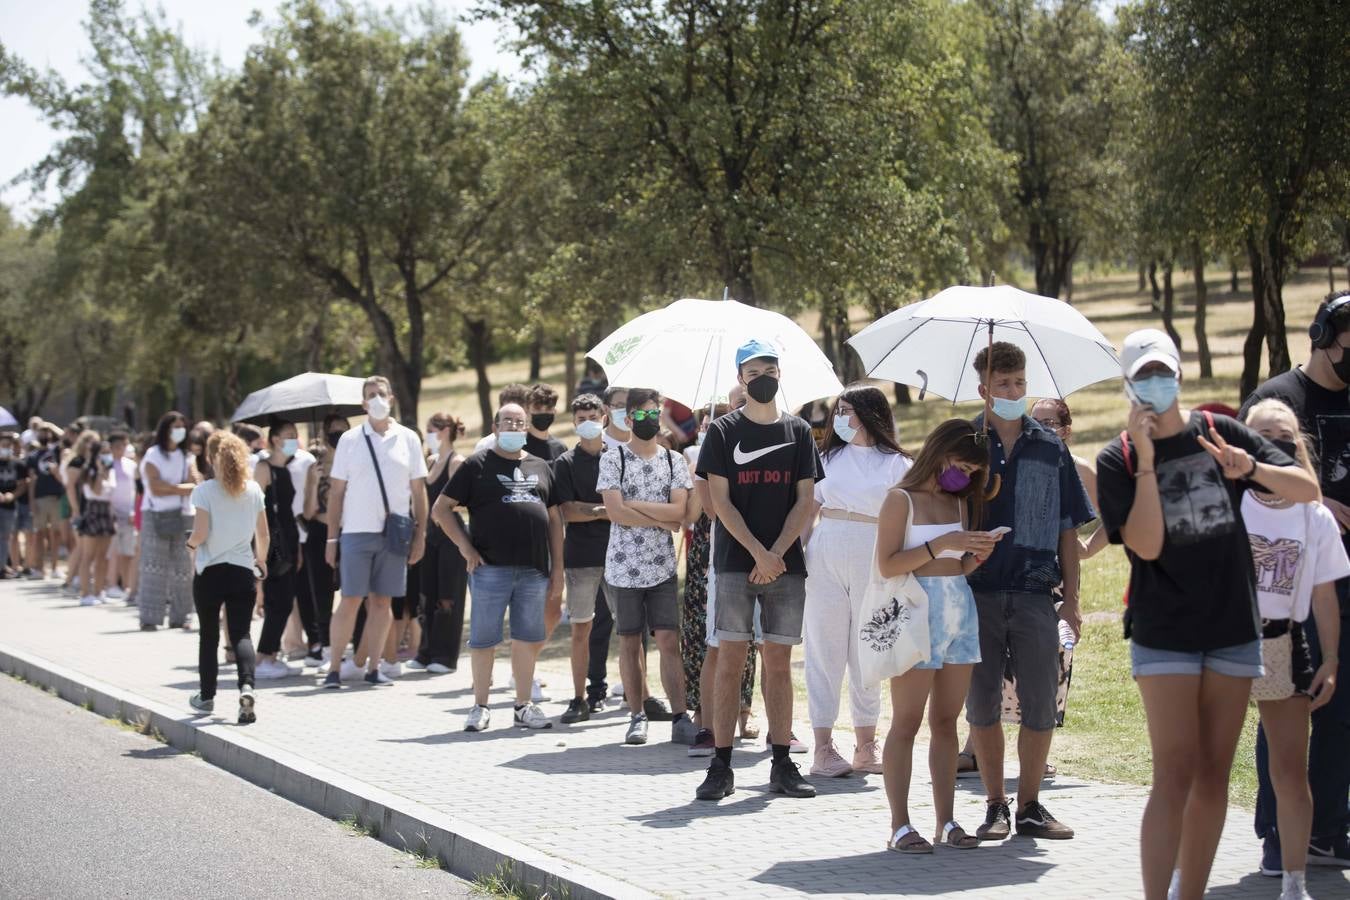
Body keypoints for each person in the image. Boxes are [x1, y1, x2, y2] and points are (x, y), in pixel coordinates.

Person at [1095, 329, 1318, 900]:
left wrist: (1253, 468)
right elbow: (1144, 545)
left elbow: (1307, 489)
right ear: (1128, 382)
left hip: (1230, 625)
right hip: (1165, 630)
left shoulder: (1220, 431)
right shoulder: (1117, 457)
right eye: (1143, 375)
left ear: (1179, 374)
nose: (1155, 384)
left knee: (1214, 772)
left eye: (1163, 372)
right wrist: (1147, 462)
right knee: (1174, 771)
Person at [963, 341, 1094, 842]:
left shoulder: (1050, 446)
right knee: (982, 705)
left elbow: (1067, 528)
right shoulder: (964, 442)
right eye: (1003, 384)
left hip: (1039, 594)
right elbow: (940, 512)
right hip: (977, 593)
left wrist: (1074, 602)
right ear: (984, 389)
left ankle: (1031, 806)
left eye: (1020, 383)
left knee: (1041, 705)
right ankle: (995, 804)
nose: (1014, 391)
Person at [1239, 291, 1350, 873]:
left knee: (1340, 712)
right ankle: (1278, 837)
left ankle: (1328, 832)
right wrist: (1312, 493)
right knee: (1285, 724)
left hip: (1335, 579)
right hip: (1282, 602)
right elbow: (1240, 477)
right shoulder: (1276, 401)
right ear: (1323, 337)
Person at [694, 339, 822, 801]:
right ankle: (721, 764)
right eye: (753, 371)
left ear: (780, 374)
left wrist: (777, 553)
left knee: (778, 664)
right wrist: (757, 553)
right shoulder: (723, 431)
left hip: (785, 566)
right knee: (730, 662)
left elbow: (806, 500)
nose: (762, 376)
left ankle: (783, 763)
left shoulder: (800, 431)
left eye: (770, 367)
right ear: (741, 379)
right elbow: (719, 502)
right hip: (734, 564)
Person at [876, 419, 999, 852]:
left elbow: (956, 565)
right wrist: (942, 542)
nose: (963, 477)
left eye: (971, 473)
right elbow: (888, 565)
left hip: (958, 613)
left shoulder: (960, 503)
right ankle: (900, 825)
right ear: (938, 451)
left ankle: (946, 822)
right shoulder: (900, 500)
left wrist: (975, 556)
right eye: (960, 466)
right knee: (906, 722)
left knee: (947, 721)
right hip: (915, 614)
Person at [802, 384, 912, 777]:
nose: (839, 419)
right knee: (823, 649)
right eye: (838, 411)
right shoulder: (825, 457)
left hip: (875, 552)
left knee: (868, 650)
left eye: (847, 411)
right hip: (826, 549)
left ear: (868, 414)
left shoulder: (897, 463)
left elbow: (909, 518)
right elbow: (807, 510)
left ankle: (866, 744)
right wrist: (795, 554)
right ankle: (823, 747)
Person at [433, 403, 563, 731]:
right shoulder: (477, 465)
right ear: (495, 427)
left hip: (534, 570)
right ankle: (480, 706)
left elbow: (554, 520)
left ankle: (523, 706)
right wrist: (465, 547)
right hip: (490, 569)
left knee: (527, 638)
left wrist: (557, 568)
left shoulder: (542, 466)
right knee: (483, 639)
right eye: (508, 422)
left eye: (520, 422)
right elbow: (442, 509)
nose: (515, 427)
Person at [597, 387, 696, 745]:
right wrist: (660, 516)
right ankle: (637, 714)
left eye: (653, 413)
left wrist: (635, 506)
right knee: (629, 642)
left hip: (662, 568)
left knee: (669, 640)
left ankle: (680, 715)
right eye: (638, 414)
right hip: (623, 569)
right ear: (626, 418)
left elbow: (680, 514)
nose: (646, 420)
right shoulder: (613, 459)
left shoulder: (673, 461)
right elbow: (614, 512)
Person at [322, 376, 428, 688]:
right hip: (356, 531)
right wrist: (332, 538)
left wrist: (421, 534)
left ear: (391, 398)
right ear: (363, 403)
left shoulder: (408, 438)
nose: (377, 398)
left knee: (383, 603)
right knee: (351, 600)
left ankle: (373, 667)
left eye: (382, 393)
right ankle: (334, 670)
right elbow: (337, 493)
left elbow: (419, 490)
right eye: (371, 395)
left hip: (394, 533)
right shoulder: (350, 440)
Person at [682, 389, 764, 757]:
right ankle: (709, 726)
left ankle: (772, 724)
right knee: (716, 643)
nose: (744, 406)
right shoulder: (710, 451)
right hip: (723, 558)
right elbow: (711, 511)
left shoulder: (781, 439)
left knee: (766, 645)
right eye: (737, 402)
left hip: (770, 559)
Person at [186, 431, 268, 724]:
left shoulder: (205, 491)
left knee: (209, 634)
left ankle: (206, 696)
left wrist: (190, 545)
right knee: (241, 634)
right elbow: (263, 534)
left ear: (210, 458)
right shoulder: (254, 490)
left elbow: (201, 533)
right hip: (242, 569)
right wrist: (261, 561)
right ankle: (247, 687)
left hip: (210, 571)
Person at [550, 394, 611, 722]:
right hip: (581, 559)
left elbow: (627, 504)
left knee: (629, 629)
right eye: (581, 416)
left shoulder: (618, 458)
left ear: (604, 417)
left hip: (618, 556)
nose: (587, 421)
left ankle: (637, 698)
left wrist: (597, 511)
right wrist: (605, 509)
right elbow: (568, 512)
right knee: (580, 630)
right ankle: (579, 698)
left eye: (592, 414)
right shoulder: (565, 463)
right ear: (573, 422)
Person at [408, 413, 468, 675]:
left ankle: (445, 656)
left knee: (448, 596)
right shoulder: (430, 460)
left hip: (451, 537)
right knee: (427, 594)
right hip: (429, 536)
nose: (428, 435)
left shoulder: (456, 462)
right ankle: (426, 651)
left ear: (444, 431)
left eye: (431, 430)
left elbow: (464, 500)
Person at [139, 412, 198, 631]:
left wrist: (172, 488)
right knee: (153, 566)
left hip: (183, 515)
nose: (180, 429)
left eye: (183, 425)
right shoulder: (153, 455)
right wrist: (180, 488)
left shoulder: (186, 456)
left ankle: (180, 616)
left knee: (183, 568)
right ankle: (149, 617)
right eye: (175, 426)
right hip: (155, 515)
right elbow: (155, 487)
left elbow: (194, 482)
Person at [253, 419, 303, 679]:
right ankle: (264, 657)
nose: (293, 439)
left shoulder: (287, 468)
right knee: (278, 601)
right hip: (272, 543)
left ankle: (269, 654)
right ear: (274, 439)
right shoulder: (264, 468)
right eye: (288, 435)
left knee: (284, 600)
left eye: (295, 434)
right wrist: (258, 551)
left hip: (289, 539)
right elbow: (253, 509)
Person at [301, 414, 349, 661]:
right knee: (321, 593)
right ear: (324, 433)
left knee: (352, 592)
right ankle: (325, 645)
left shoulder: (353, 463)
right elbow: (307, 512)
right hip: (319, 533)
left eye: (343, 430)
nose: (338, 436)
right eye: (333, 431)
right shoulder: (314, 467)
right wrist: (315, 481)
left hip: (349, 532)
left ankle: (350, 644)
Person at [74, 442, 117, 605]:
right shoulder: (88, 471)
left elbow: (112, 492)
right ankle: (85, 593)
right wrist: (99, 471)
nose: (107, 456)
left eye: (108, 452)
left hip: (106, 511)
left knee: (102, 556)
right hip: (93, 510)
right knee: (88, 556)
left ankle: (99, 591)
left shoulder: (111, 471)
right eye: (103, 453)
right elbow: (97, 490)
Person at [62, 429, 100, 592]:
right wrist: (75, 509)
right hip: (81, 508)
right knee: (81, 547)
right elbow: (70, 487)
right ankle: (69, 580)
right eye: (89, 441)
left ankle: (76, 579)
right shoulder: (77, 462)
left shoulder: (93, 462)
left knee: (86, 548)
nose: (92, 445)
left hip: (93, 508)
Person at [26, 422, 64, 579]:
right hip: (40, 498)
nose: (45, 435)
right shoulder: (33, 456)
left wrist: (49, 425)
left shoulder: (57, 451)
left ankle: (55, 567)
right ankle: (39, 568)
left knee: (56, 534)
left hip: (56, 497)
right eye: (41, 432)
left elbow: (64, 436)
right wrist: (31, 501)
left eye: (47, 432)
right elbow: (31, 480)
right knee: (39, 534)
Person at [105, 432, 139, 603]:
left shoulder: (131, 466)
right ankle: (111, 584)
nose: (121, 450)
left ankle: (126, 585)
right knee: (114, 551)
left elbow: (134, 490)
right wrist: (110, 512)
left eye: (124, 446)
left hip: (129, 513)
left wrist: (133, 511)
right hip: (112, 513)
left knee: (128, 551)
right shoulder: (107, 465)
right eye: (117, 447)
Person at [0, 432, 29, 578]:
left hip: (9, 506)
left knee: (6, 537)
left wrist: (13, 495)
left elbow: (23, 484)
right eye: (3, 445)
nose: (5, 448)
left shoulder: (18, 464)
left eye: (8, 445)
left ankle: (3, 566)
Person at [473, 384, 531, 453]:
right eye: (508, 411)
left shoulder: (540, 444)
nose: (513, 426)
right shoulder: (485, 446)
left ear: (528, 412)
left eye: (519, 413)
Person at [525, 383, 567, 461]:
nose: (543, 413)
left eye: (548, 409)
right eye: (537, 409)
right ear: (527, 411)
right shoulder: (519, 448)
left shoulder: (560, 448)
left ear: (555, 411)